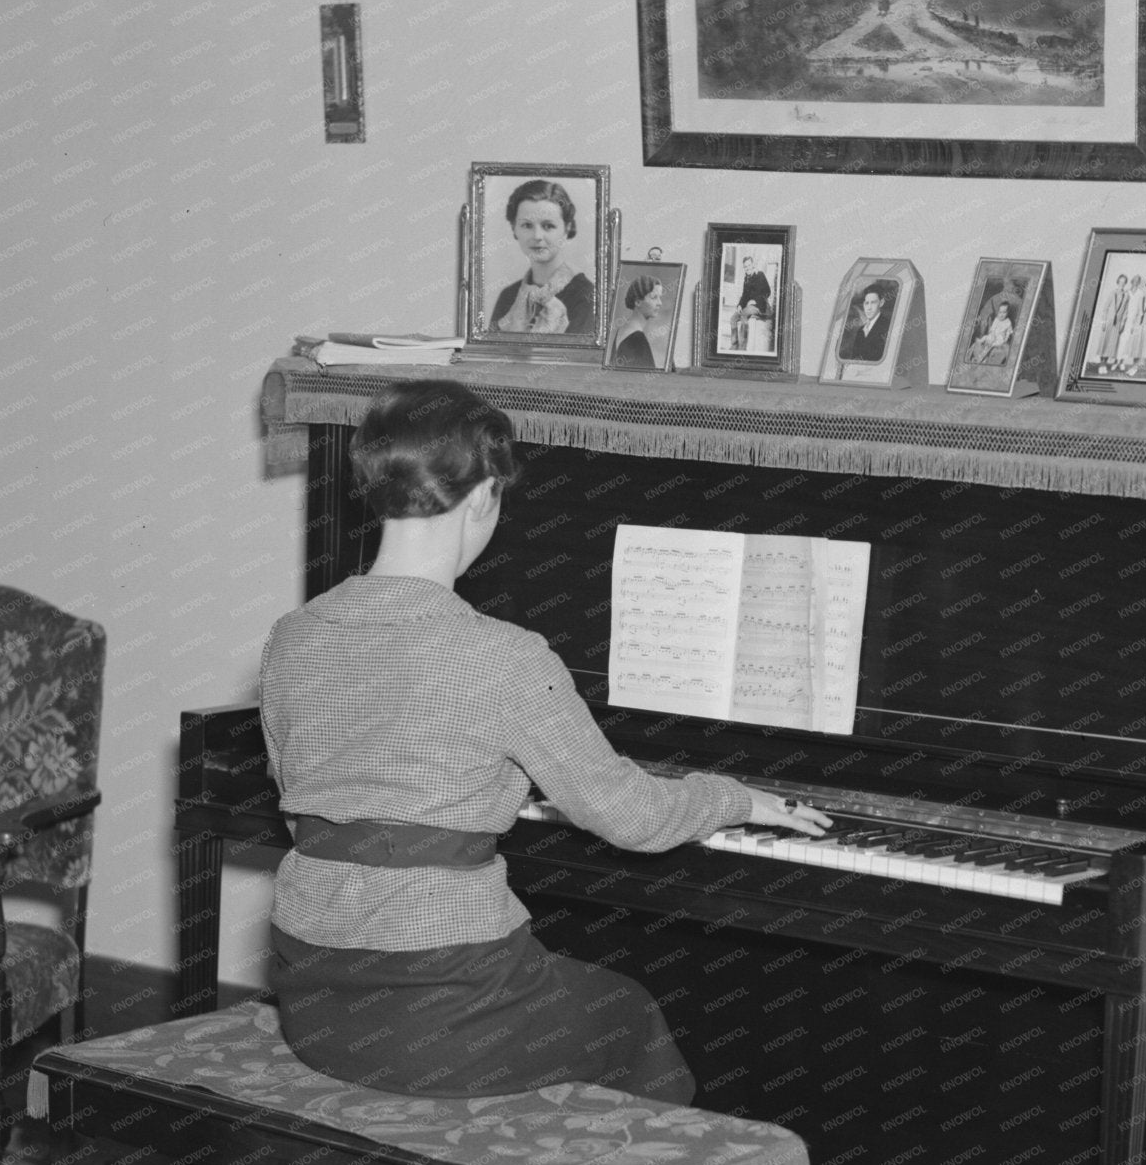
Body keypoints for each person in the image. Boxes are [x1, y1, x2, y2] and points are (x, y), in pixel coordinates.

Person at [261, 380, 829, 1104]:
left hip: (314, 999)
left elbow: (311, 810)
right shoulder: (505, 655)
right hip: (443, 1006)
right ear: (484, 496)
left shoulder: (293, 636)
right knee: (630, 1012)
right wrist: (736, 798)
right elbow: (632, 816)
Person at [489, 179, 594, 335]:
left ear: (567, 229)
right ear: (514, 229)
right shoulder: (509, 295)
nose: (537, 236)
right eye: (527, 225)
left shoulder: (586, 297)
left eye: (548, 226)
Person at [611, 274, 664, 369]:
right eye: (654, 297)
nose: (660, 303)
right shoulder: (638, 339)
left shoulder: (622, 330)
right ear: (638, 302)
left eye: (660, 297)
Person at [837, 283, 892, 362]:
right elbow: (853, 359)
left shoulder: (888, 327)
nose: (869, 308)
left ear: (881, 302)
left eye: (873, 302)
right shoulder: (861, 330)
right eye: (866, 303)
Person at [1087, 274, 1127, 369]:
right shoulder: (1112, 293)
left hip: (1117, 323)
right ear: (1118, 282)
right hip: (1108, 321)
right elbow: (1105, 308)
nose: (1122, 283)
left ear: (1125, 283)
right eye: (1120, 281)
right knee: (1104, 342)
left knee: (1111, 343)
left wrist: (1122, 324)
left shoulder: (1126, 296)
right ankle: (1101, 364)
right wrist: (1103, 322)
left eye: (1124, 282)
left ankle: (1105, 363)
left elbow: (1125, 311)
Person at [968, 299, 1016, 366]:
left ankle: (985, 353)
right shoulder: (996, 319)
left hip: (1000, 338)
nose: (1001, 314)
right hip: (993, 335)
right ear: (998, 312)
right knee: (985, 337)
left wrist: (1006, 338)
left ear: (1007, 313)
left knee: (995, 343)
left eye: (1004, 312)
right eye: (1000, 312)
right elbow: (992, 328)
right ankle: (981, 341)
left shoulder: (1008, 322)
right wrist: (992, 333)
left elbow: (1009, 332)